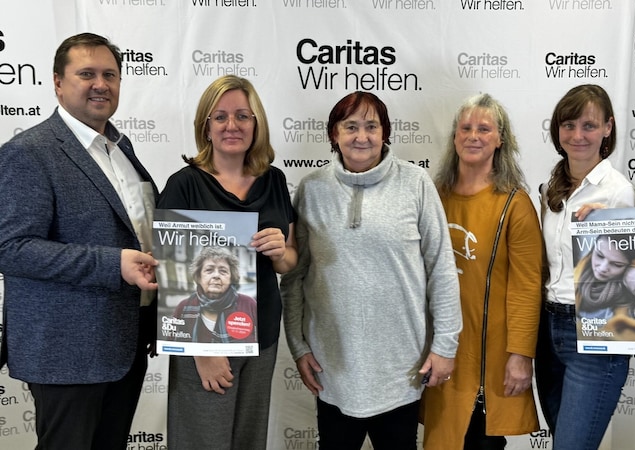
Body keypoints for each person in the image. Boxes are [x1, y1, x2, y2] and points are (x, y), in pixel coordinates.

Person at [0, 32, 159, 449]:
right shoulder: (30, 152)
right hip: (67, 352)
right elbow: (11, 249)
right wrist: (113, 264)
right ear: (57, 82)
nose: (100, 84)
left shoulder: (120, 149)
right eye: (86, 74)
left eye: (110, 74)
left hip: (124, 343)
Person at [280, 91, 462, 450]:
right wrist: (299, 347)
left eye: (371, 126)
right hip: (333, 370)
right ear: (334, 134)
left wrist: (445, 344)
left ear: (385, 133)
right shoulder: (311, 189)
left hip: (401, 370)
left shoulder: (416, 184)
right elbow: (294, 277)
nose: (361, 136)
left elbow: (442, 269)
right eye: (350, 126)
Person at [158, 75, 297, 449]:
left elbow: (289, 262)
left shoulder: (275, 181)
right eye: (219, 117)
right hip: (203, 343)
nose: (232, 126)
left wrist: (281, 251)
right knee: (202, 441)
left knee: (249, 441)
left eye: (242, 116)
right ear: (206, 126)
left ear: (257, 123)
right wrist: (203, 350)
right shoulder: (183, 185)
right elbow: (171, 276)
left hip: (261, 335)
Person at [420, 93, 542, 450]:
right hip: (440, 346)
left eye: (484, 129)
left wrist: (520, 356)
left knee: (479, 440)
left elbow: (527, 286)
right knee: (440, 436)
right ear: (455, 137)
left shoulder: (514, 204)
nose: (474, 135)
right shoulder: (432, 195)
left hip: (490, 354)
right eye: (466, 128)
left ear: (500, 139)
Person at [535, 84, 635, 449]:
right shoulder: (552, 187)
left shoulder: (619, 192)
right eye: (568, 125)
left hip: (595, 330)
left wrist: (616, 225)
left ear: (608, 128)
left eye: (589, 125)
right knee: (559, 437)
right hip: (549, 328)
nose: (577, 135)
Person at [168, 246, 258, 344]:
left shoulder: (249, 304)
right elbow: (172, 345)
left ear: (231, 277)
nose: (216, 275)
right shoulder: (184, 307)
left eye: (223, 271)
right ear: (199, 277)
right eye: (209, 270)